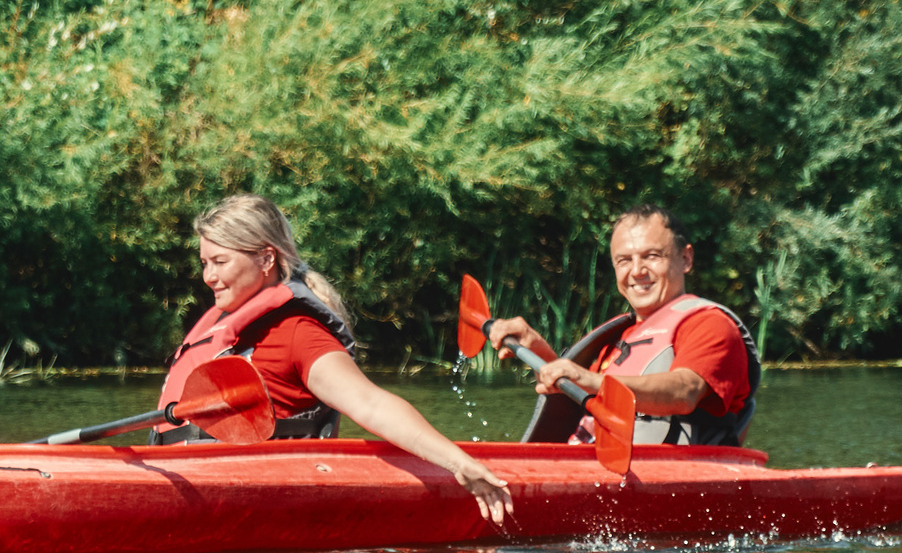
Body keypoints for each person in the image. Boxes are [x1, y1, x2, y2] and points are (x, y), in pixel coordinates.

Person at [155, 195, 512, 525]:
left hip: (247, 494)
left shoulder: (298, 332)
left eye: (220, 262)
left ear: (266, 259)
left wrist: (458, 462)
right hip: (184, 474)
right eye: (204, 263)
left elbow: (369, 404)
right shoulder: (224, 326)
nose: (208, 276)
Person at [485, 205, 758, 447]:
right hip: (593, 469)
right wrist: (538, 349)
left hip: (667, 478)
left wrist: (592, 380)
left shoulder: (709, 324)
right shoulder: (619, 337)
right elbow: (577, 400)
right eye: (624, 260)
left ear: (685, 259)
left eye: (652, 256)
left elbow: (684, 392)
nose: (637, 270)